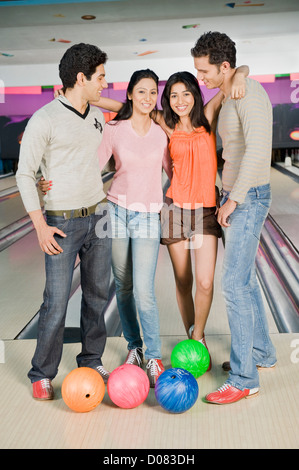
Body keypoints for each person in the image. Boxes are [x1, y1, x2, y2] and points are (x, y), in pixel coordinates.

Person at [16, 43, 113, 400]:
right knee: (56, 300)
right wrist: (40, 225)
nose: (105, 83)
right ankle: (42, 372)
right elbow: (25, 174)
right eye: (100, 77)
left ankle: (91, 358)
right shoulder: (44, 119)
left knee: (97, 295)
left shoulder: (96, 115)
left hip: (98, 216)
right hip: (61, 222)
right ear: (81, 78)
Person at [191, 31, 277, 404]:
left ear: (223, 67)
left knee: (234, 285)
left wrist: (233, 201)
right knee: (245, 280)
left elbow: (258, 152)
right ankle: (261, 353)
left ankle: (244, 379)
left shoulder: (248, 94)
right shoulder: (231, 89)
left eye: (204, 71)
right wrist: (237, 74)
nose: (201, 79)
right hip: (236, 195)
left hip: (248, 197)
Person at [97, 69, 172, 387]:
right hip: (115, 212)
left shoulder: (161, 132)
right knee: (123, 286)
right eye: (141, 91)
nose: (148, 97)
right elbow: (94, 167)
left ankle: (153, 355)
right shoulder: (113, 129)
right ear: (129, 94)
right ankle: (135, 347)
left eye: (153, 92)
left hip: (146, 216)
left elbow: (174, 170)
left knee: (144, 290)